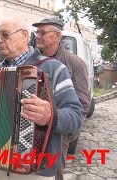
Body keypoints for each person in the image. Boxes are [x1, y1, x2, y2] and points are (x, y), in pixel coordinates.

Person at [0, 17, 82, 179]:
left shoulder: (53, 68)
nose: (0, 40)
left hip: (36, 170)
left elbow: (76, 117)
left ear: (24, 36)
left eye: (5, 35)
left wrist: (51, 116)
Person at [32, 17, 91, 180]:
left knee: (54, 173)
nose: (38, 36)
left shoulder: (75, 63)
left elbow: (83, 103)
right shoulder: (33, 60)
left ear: (57, 36)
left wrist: (67, 134)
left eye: (43, 32)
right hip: (30, 130)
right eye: (37, 32)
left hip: (58, 132)